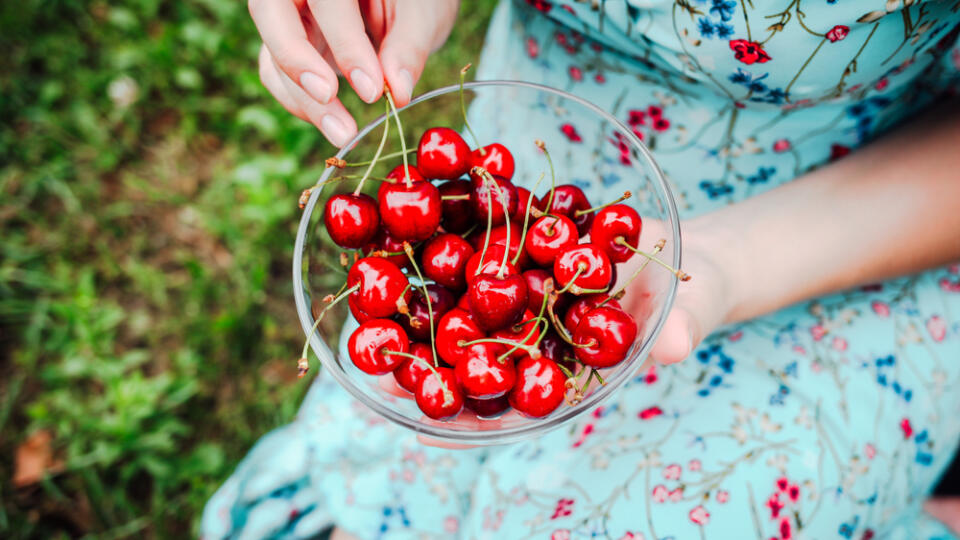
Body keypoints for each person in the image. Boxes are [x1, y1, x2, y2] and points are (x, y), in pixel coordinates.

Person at [203, 1, 960, 538]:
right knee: (389, 511)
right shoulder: (491, 225)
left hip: (856, 226)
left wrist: (725, 261)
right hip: (541, 178)